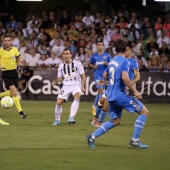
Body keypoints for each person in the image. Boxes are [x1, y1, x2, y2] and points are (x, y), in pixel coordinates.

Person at [86, 40, 149, 149]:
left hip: (111, 95)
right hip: (120, 95)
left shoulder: (112, 61)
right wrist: (135, 91)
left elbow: (105, 74)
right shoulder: (125, 61)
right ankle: (135, 139)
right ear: (125, 50)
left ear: (115, 50)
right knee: (144, 112)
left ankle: (92, 136)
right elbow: (125, 77)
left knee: (115, 121)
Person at [52, 48, 85, 125]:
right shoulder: (61, 66)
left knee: (77, 96)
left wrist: (82, 86)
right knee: (59, 102)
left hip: (76, 84)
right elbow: (59, 78)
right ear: (62, 55)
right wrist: (55, 81)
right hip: (66, 86)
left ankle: (71, 117)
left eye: (67, 54)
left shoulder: (77, 63)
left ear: (71, 55)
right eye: (64, 54)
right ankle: (57, 120)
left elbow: (83, 75)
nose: (66, 56)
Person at [0, 34, 27, 119]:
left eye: (9, 40)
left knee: (13, 92)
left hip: (14, 73)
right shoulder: (0, 51)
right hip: (6, 73)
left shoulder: (14, 49)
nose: (7, 42)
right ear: (3, 42)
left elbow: (18, 58)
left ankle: (1, 95)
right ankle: (21, 112)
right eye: (6, 40)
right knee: (14, 91)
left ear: (10, 41)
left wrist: (20, 61)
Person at [88, 41, 111, 116]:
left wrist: (108, 64)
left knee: (100, 91)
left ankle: (94, 105)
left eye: (101, 45)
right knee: (101, 90)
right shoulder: (94, 56)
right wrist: (94, 66)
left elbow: (111, 65)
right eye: (98, 45)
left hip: (104, 75)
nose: (100, 46)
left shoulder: (107, 55)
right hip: (97, 75)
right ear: (97, 47)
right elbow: (89, 64)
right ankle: (100, 108)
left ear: (103, 46)